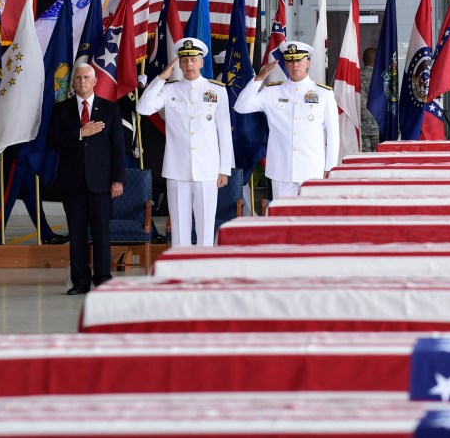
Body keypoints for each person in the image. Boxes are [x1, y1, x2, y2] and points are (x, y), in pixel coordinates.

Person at [136, 37, 233, 247]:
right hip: (177, 169)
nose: (189, 64)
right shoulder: (169, 89)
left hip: (207, 168)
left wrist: (224, 169)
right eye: (184, 60)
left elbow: (224, 132)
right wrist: (161, 78)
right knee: (179, 229)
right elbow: (143, 108)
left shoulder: (217, 90)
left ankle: (204, 271)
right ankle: (181, 271)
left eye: (193, 60)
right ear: (179, 63)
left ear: (201, 62)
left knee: (206, 228)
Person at [47, 63, 125, 296]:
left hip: (101, 183)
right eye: (78, 78)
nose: (82, 82)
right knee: (77, 234)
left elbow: (118, 148)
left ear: (95, 82)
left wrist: (118, 180)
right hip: (72, 184)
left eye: (86, 78)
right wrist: (82, 133)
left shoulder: (110, 110)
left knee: (101, 233)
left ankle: (103, 279)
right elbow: (53, 140)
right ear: (72, 83)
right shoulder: (61, 110)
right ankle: (80, 281)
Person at [234, 41, 339, 198]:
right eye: (290, 60)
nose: (295, 64)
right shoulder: (272, 92)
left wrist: (329, 167)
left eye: (299, 60)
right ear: (285, 64)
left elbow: (333, 134)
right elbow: (241, 107)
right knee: (282, 218)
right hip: (281, 170)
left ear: (307, 63)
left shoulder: (323, 93)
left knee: (310, 217)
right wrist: (259, 78)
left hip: (312, 169)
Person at [360, 47, 378, 152]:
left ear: (363, 60)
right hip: (379, 126)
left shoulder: (355, 77)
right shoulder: (383, 78)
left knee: (365, 160)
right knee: (380, 160)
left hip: (362, 127)